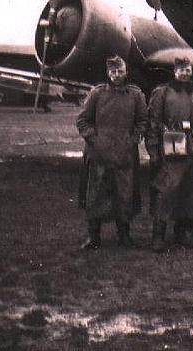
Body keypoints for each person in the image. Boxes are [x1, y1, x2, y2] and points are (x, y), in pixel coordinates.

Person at [76, 55, 148, 249]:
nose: (117, 75)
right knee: (96, 194)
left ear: (126, 72)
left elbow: (142, 122)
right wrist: (95, 140)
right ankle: (94, 236)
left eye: (120, 71)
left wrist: (132, 140)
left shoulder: (136, 95)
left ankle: (124, 235)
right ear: (108, 73)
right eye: (113, 72)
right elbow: (82, 121)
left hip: (125, 153)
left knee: (124, 194)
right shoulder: (97, 94)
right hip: (98, 153)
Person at [146, 57, 193, 252]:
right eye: (181, 70)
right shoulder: (163, 92)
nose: (184, 73)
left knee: (191, 190)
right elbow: (153, 123)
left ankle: (184, 231)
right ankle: (158, 234)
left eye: (188, 69)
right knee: (168, 189)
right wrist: (153, 151)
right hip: (172, 141)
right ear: (174, 72)